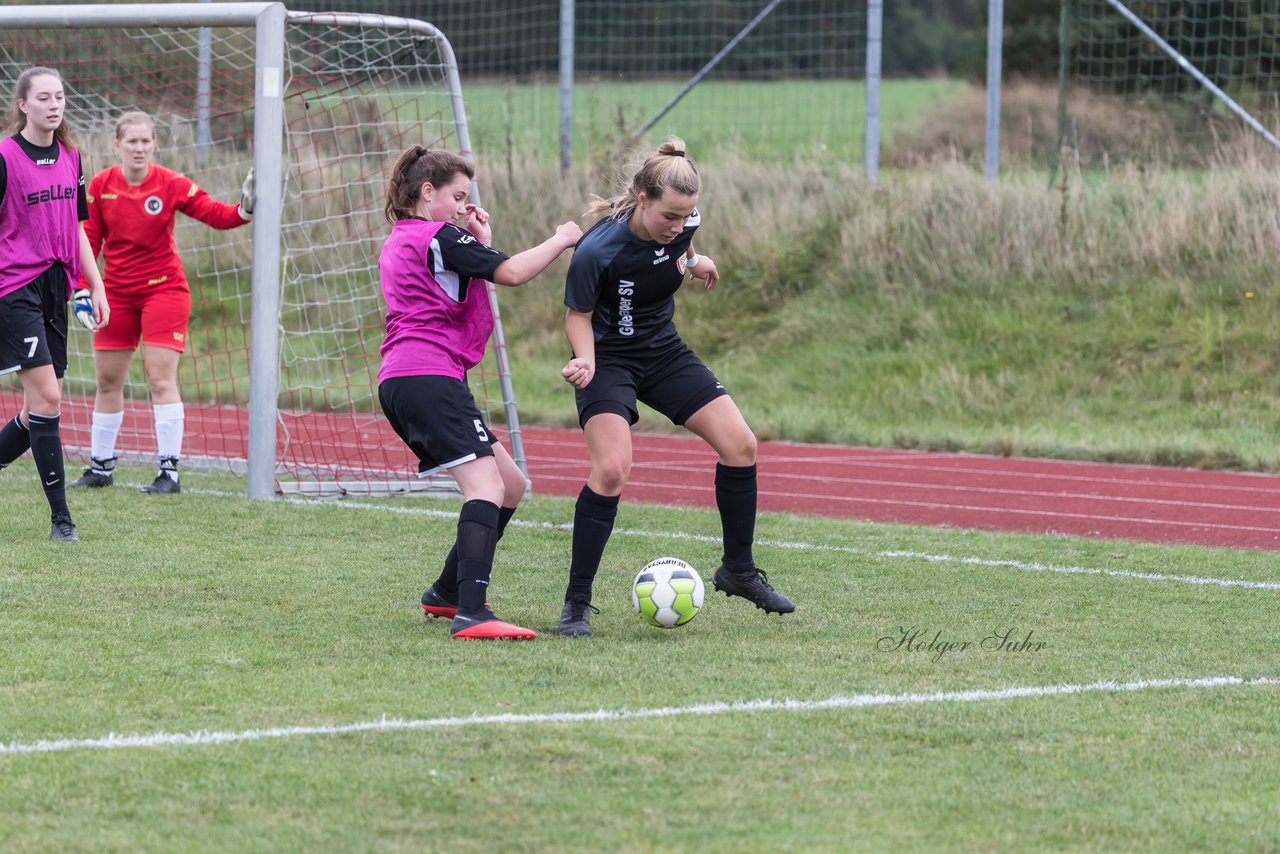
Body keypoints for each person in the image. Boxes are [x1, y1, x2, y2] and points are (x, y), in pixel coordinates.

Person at [557, 137, 795, 637]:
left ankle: (738, 571)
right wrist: (585, 357)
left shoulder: (683, 226)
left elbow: (682, 250)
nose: (678, 225)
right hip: (609, 361)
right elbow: (577, 316)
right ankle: (576, 603)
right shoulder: (598, 249)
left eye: (687, 216)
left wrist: (695, 259)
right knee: (612, 470)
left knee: (741, 445)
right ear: (643, 200)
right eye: (670, 216)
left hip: (664, 352)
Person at [378, 145, 582, 640]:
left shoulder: (403, 239)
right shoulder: (439, 235)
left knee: (509, 484)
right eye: (459, 196)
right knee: (485, 487)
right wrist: (561, 239)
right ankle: (473, 611)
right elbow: (511, 272)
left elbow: (455, 289)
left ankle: (447, 592)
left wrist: (480, 241)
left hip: (408, 377)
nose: (465, 206)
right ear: (428, 193)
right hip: (428, 377)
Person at [69, 110, 254, 494]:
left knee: (158, 377)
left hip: (164, 290)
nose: (139, 148)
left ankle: (169, 472)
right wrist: (84, 288)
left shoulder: (170, 183)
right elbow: (89, 241)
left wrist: (244, 210)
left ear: (155, 144)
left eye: (146, 141)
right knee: (107, 380)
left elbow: (214, 214)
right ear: (116, 145)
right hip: (115, 293)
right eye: (131, 141)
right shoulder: (100, 186)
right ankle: (100, 468)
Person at [0, 67, 109, 542]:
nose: (53, 104)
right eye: (43, 97)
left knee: (36, 409)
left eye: (59, 96)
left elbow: (76, 228)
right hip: (13, 289)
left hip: (55, 288)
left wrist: (96, 284)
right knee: (48, 398)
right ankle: (62, 520)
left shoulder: (70, 155)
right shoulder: (4, 156)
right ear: (23, 104)